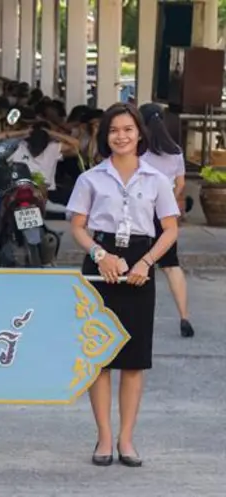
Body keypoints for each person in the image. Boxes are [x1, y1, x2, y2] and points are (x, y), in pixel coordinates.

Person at [66, 103, 179, 468]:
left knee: (133, 360)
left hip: (140, 264)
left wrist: (146, 262)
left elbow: (171, 229)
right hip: (102, 264)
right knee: (100, 359)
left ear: (139, 134)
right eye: (114, 130)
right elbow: (79, 227)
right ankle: (103, 437)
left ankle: (127, 439)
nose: (121, 136)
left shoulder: (156, 179)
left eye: (128, 129)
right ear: (105, 137)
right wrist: (102, 255)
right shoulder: (91, 179)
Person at [139, 103, 195, 338]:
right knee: (171, 266)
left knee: (137, 263)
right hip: (165, 216)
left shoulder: (139, 151)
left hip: (140, 212)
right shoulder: (176, 151)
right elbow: (181, 183)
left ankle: (136, 318)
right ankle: (184, 317)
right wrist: (169, 203)